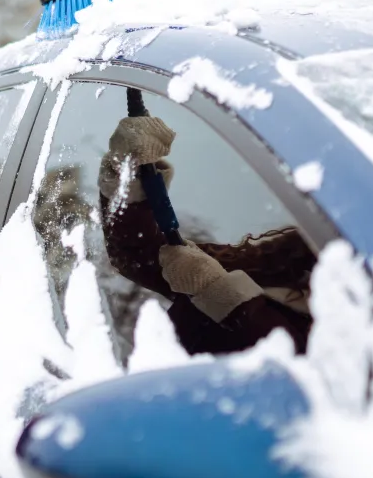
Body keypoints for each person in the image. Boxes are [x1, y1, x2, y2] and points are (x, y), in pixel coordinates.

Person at [98, 114, 314, 355]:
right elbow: (142, 255)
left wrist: (218, 292)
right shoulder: (279, 264)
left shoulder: (342, 339)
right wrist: (129, 172)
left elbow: (292, 360)